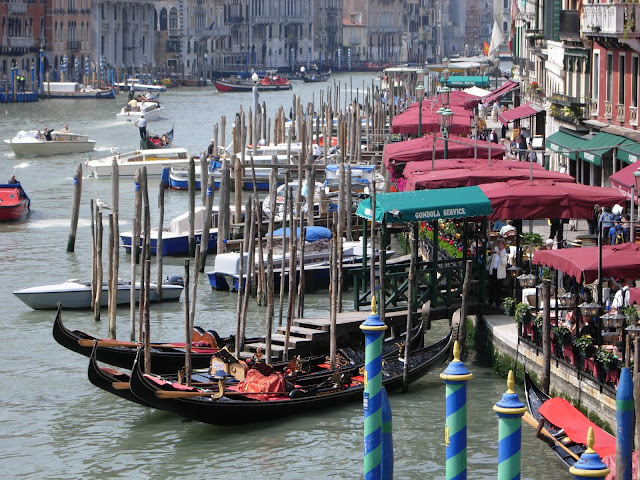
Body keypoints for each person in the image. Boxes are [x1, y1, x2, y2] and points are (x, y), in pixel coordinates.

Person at [487, 238, 508, 306]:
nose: (499, 245)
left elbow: (504, 263)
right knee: (491, 286)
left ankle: (497, 303)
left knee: (498, 288)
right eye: (498, 244)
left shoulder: (505, 253)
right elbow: (488, 259)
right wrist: (490, 253)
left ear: (503, 245)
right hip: (493, 270)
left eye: (501, 244)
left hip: (500, 273)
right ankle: (490, 301)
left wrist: (500, 255)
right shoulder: (495, 250)